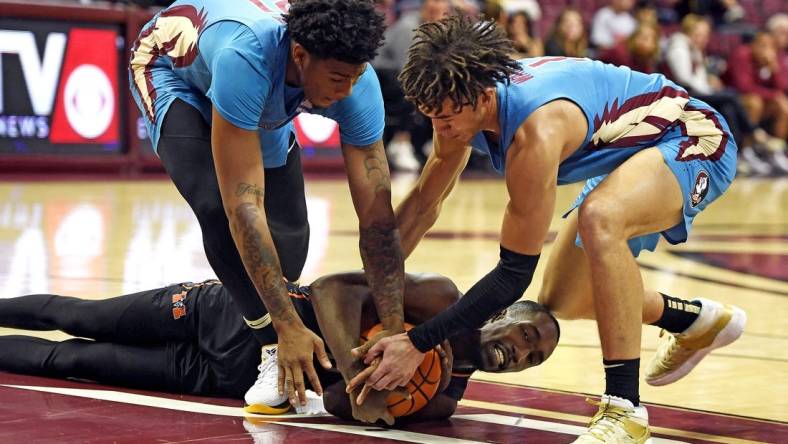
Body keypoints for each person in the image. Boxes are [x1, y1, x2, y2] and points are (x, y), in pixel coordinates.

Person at [348, 15, 746, 442]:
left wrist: (419, 342)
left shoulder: (536, 132)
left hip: (693, 139)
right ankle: (691, 320)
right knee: (566, 299)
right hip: (632, 154)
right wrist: (372, 297)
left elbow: (512, 276)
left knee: (600, 218)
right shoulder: (459, 99)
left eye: (446, 119)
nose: (440, 130)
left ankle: (624, 410)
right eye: (431, 117)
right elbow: (424, 206)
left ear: (483, 98)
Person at [128, 0, 406, 408]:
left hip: (260, 82)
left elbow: (378, 221)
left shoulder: (357, 84)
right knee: (217, 207)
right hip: (169, 70)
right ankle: (271, 348)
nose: (345, 91)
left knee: (291, 238)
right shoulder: (247, 59)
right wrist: (284, 329)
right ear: (300, 55)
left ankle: (266, 329)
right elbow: (244, 209)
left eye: (356, 76)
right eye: (336, 78)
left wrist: (393, 327)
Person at [0, 272, 559, 424]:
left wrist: (360, 394)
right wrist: (353, 359)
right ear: (504, 314)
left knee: (70, 361)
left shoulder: (440, 400)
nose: (521, 353)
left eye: (533, 358)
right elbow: (332, 288)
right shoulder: (440, 298)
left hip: (218, 378)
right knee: (75, 315)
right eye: (526, 335)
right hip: (235, 315)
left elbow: (346, 406)